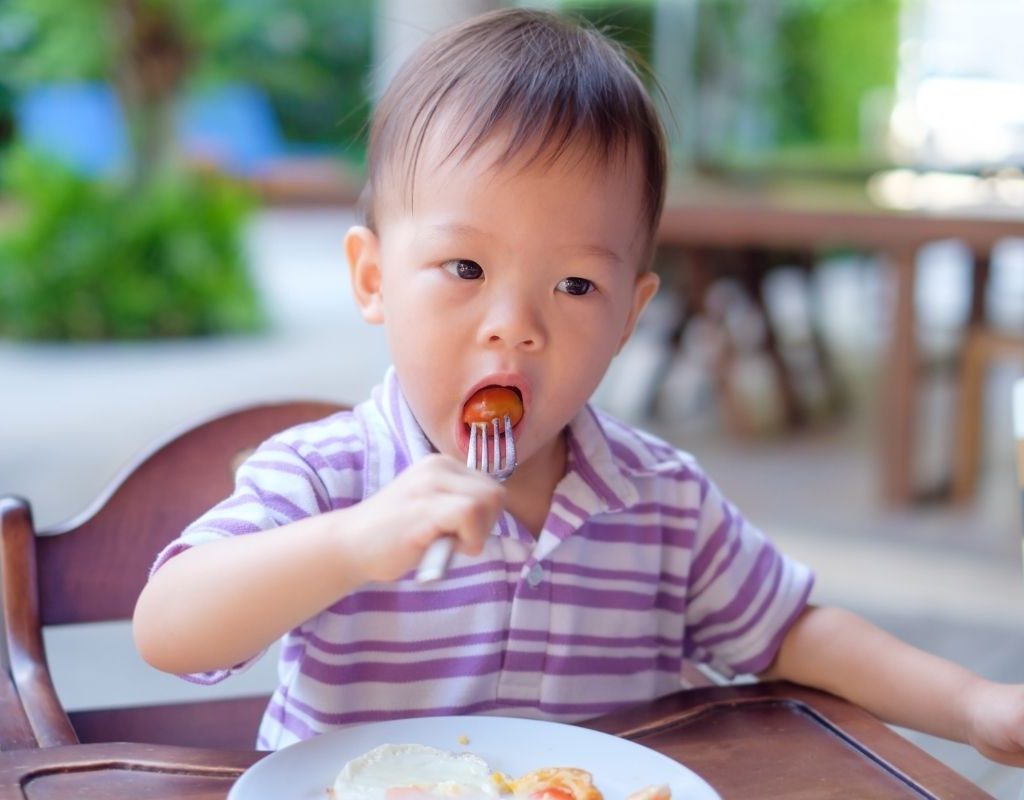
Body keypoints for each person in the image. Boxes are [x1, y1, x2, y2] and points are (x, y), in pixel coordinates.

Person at [132, 8, 1024, 763]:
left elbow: (793, 631)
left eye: (574, 286)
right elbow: (170, 627)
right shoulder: (328, 478)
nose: (514, 324)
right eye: (465, 265)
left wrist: (977, 708)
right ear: (372, 279)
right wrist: (350, 546)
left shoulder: (662, 502)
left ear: (630, 315)